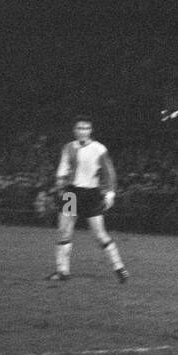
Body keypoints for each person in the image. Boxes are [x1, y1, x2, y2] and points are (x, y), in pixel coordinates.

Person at [44, 117, 131, 283]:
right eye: (79, 128)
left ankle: (119, 268)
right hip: (71, 194)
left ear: (90, 131)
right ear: (74, 131)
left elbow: (109, 173)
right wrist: (59, 186)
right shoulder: (68, 148)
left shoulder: (99, 149)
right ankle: (62, 271)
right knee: (64, 231)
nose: (82, 131)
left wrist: (110, 194)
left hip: (91, 194)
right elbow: (62, 170)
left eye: (85, 128)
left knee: (99, 234)